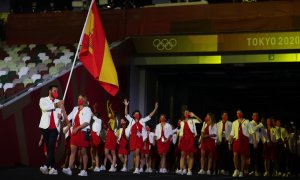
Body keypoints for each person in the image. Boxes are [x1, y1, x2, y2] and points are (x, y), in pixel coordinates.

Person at [123, 99, 158, 174]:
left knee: (138, 152)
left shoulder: (142, 120)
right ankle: (135, 167)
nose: (137, 115)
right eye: (135, 114)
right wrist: (126, 106)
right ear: (133, 115)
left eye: (138, 114)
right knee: (135, 154)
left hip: (139, 139)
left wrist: (155, 109)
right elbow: (126, 114)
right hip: (133, 139)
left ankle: (137, 169)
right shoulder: (131, 120)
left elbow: (149, 116)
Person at [62, 95, 93, 176]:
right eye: (78, 98)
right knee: (73, 151)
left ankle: (84, 170)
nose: (79, 100)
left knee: (83, 152)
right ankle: (69, 168)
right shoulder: (75, 109)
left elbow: (87, 122)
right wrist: (62, 111)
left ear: (85, 100)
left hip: (82, 132)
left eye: (81, 99)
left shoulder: (87, 109)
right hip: (75, 133)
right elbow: (67, 117)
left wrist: (77, 128)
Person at [39, 85, 65, 175]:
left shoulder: (59, 101)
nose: (56, 92)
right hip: (45, 127)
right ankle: (53, 168)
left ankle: (46, 166)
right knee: (50, 148)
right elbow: (44, 108)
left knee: (51, 146)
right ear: (50, 91)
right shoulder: (43, 100)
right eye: (54, 90)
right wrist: (56, 105)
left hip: (55, 128)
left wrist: (61, 117)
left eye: (57, 91)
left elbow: (62, 117)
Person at [228, 110, 262, 177]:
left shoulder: (247, 122)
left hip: (244, 140)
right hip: (236, 140)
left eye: (240, 113)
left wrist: (255, 142)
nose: (238, 114)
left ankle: (241, 171)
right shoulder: (234, 122)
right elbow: (232, 133)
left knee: (242, 156)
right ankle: (236, 170)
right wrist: (229, 142)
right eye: (237, 113)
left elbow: (252, 132)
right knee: (235, 155)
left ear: (242, 114)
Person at [178, 110, 202, 175]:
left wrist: (194, 115)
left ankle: (189, 170)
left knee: (190, 155)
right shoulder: (182, 122)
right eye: (185, 112)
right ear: (183, 114)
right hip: (184, 139)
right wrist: (179, 141)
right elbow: (181, 133)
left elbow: (200, 121)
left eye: (187, 112)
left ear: (189, 113)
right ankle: (181, 169)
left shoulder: (192, 120)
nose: (186, 113)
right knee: (182, 154)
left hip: (191, 138)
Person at [103, 100, 118, 172]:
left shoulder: (114, 119)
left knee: (113, 152)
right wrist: (107, 104)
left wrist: (109, 107)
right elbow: (107, 112)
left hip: (112, 135)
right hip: (109, 135)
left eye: (111, 114)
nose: (109, 114)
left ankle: (113, 166)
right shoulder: (110, 119)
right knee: (106, 152)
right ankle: (113, 164)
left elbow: (110, 112)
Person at [90, 103, 102, 172]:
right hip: (93, 136)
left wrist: (90, 108)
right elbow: (93, 115)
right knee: (93, 151)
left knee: (96, 152)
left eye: (97, 115)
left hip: (96, 137)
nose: (95, 116)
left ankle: (97, 166)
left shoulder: (99, 120)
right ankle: (95, 164)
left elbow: (93, 115)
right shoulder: (95, 122)